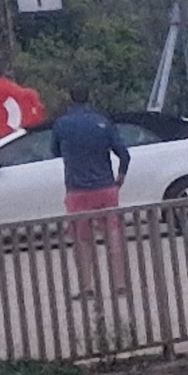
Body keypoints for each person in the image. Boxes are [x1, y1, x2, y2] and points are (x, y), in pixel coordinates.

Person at [53, 81, 128, 308]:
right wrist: (119, 178)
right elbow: (124, 155)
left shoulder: (62, 124)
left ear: (69, 98)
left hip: (77, 189)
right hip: (105, 187)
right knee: (112, 234)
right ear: (89, 98)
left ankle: (87, 287)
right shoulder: (103, 123)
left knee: (82, 240)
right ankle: (119, 284)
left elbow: (55, 151)